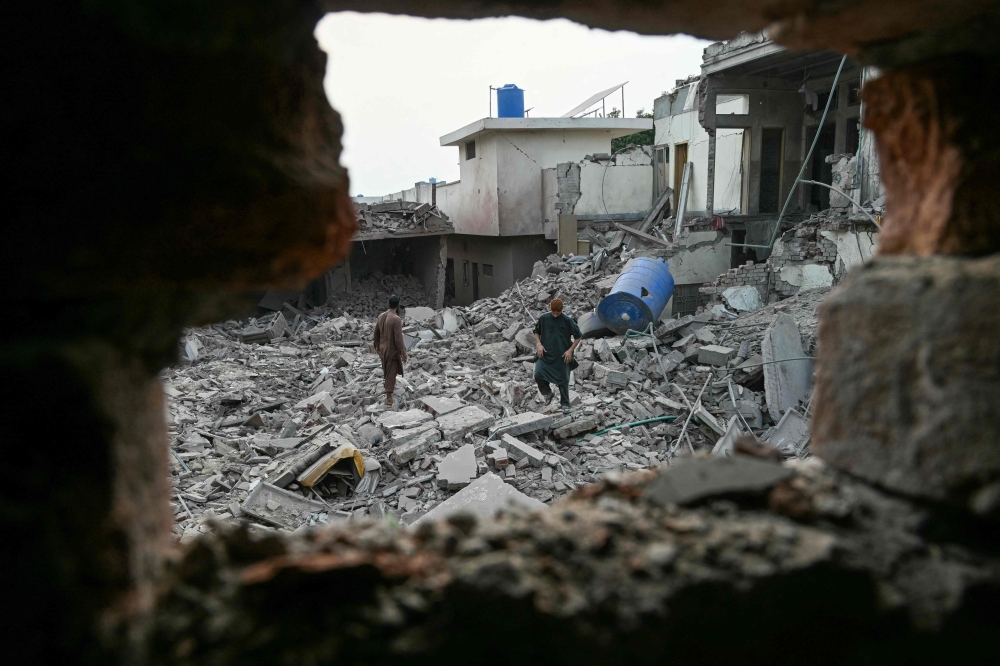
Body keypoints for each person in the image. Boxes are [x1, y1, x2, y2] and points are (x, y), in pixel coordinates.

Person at [533, 298, 582, 414]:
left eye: (558, 313)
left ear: (561, 310)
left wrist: (570, 350)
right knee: (538, 374)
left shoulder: (567, 320)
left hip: (562, 355)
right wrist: (539, 344)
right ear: (550, 310)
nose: (555, 315)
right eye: (553, 312)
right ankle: (548, 393)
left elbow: (578, 336)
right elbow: (536, 331)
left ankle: (565, 404)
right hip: (545, 354)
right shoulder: (544, 318)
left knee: (563, 380)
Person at [373, 294, 407, 406]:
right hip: (391, 348)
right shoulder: (396, 319)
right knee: (391, 370)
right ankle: (389, 397)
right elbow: (398, 338)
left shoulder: (381, 316)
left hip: (382, 347)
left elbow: (376, 332)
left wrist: (376, 345)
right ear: (397, 305)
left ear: (389, 304)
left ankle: (388, 389)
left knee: (386, 369)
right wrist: (402, 352)